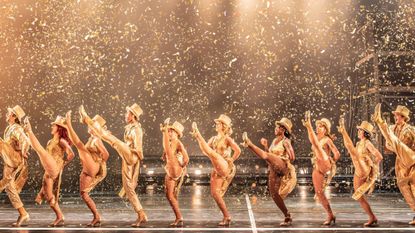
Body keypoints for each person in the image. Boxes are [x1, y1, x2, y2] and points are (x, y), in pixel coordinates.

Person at [79, 104, 147, 227]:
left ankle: (86, 118)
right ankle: (141, 214)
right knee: (128, 188)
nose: (125, 115)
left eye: (127, 114)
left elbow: (138, 148)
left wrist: (136, 157)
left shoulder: (137, 129)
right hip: (126, 157)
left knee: (112, 139)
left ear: (133, 116)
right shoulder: (129, 128)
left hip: (131, 155)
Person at [241, 117, 297, 226]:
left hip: (281, 165)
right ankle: (287, 216)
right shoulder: (274, 141)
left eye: (279, 127)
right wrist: (266, 146)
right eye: (276, 126)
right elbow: (267, 156)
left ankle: (249, 144)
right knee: (274, 194)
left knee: (266, 155)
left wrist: (285, 158)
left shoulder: (286, 141)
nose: (276, 128)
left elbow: (292, 157)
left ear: (283, 130)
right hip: (273, 167)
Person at [191, 114, 241, 226]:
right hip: (217, 167)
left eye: (219, 123)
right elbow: (205, 150)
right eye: (217, 123)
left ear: (224, 126)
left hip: (225, 166)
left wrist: (231, 160)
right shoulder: (214, 139)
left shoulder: (227, 139)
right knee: (215, 194)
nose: (216, 124)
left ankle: (198, 134)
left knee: (212, 153)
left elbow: (238, 151)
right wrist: (199, 141)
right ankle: (227, 216)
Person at [24, 116, 74, 227]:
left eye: (54, 125)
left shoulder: (61, 141)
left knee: (40, 150)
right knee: (49, 197)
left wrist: (62, 164)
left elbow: (71, 154)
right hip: (49, 169)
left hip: (55, 166)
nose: (51, 126)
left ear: (59, 128)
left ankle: (29, 131)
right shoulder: (50, 141)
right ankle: (60, 216)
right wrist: (41, 193)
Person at [372, 104, 415, 225]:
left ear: (403, 117)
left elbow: (398, 144)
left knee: (414, 186)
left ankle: (380, 121)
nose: (396, 117)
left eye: (398, 115)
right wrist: (392, 144)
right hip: (400, 161)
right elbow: (388, 145)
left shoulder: (410, 129)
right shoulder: (392, 129)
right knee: (403, 186)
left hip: (411, 158)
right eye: (395, 115)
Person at [65, 111, 109, 227]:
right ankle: (96, 216)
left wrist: (98, 161)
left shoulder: (97, 140)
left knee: (79, 146)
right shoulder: (92, 139)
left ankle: (68, 124)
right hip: (88, 168)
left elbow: (106, 155)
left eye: (91, 125)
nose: (88, 127)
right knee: (84, 194)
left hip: (93, 166)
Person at [337, 118, 382, 226]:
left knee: (354, 153)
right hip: (358, 170)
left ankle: (343, 131)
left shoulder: (367, 143)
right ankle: (372, 217)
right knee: (359, 197)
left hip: (365, 168)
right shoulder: (359, 143)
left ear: (365, 133)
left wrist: (373, 167)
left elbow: (379, 156)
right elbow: (350, 149)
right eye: (359, 130)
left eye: (360, 130)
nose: (358, 131)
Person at [302, 111, 340, 225]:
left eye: (321, 126)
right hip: (318, 166)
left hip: (326, 162)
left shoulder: (327, 140)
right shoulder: (315, 139)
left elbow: (337, 153)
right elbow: (313, 142)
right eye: (317, 126)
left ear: (325, 129)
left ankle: (307, 124)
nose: (318, 128)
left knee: (318, 147)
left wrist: (333, 161)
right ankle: (330, 215)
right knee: (319, 193)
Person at [0, 105, 30, 226]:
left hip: (14, 160)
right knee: (8, 186)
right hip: (9, 160)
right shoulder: (10, 128)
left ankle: (23, 213)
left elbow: (26, 141)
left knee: (7, 185)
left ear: (13, 116)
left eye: (9, 114)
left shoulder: (16, 128)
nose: (6, 115)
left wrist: (23, 151)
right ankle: (23, 213)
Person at [160, 118, 189, 226]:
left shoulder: (177, 142)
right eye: (169, 131)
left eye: (171, 131)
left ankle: (179, 217)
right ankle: (179, 216)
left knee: (170, 195)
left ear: (177, 133)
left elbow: (186, 158)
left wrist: (182, 166)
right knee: (169, 195)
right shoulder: (172, 142)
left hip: (175, 168)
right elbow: (167, 151)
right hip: (170, 170)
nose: (170, 132)